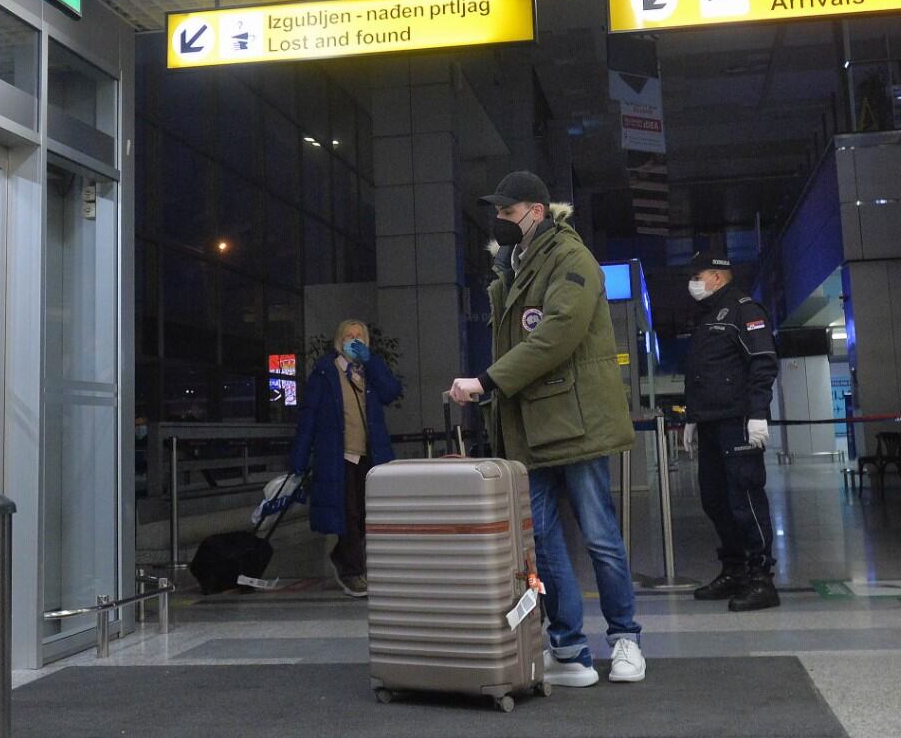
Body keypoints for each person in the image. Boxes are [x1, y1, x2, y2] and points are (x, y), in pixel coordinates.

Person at [448, 171, 645, 687]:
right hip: (528, 428)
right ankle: (570, 648)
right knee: (543, 543)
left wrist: (487, 381)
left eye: (508, 212)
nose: (499, 220)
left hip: (574, 423)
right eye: (498, 212)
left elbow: (557, 333)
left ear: (536, 211)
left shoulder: (571, 258)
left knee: (599, 535)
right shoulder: (511, 267)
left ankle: (625, 638)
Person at [682, 252, 782, 611]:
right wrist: (693, 417)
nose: (693, 283)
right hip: (710, 422)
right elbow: (703, 371)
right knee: (715, 500)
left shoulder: (744, 311)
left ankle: (761, 579)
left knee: (745, 498)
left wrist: (758, 413)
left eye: (698, 276)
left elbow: (763, 362)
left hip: (738, 422)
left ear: (718, 276)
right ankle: (735, 569)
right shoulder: (706, 316)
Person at [290, 319, 403, 597]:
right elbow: (309, 416)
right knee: (348, 513)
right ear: (339, 341)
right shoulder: (325, 373)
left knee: (366, 514)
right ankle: (352, 571)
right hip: (338, 456)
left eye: (359, 336)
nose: (354, 340)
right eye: (349, 336)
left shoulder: (368, 372)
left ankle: (342, 555)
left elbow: (391, 392)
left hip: (370, 455)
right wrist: (299, 458)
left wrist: (372, 362)